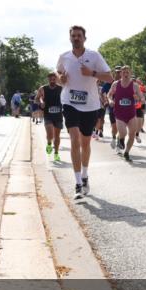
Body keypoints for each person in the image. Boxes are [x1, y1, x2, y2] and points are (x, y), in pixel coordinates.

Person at [57, 25, 113, 200]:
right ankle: (77, 183)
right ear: (70, 38)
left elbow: (110, 77)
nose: (76, 38)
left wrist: (92, 73)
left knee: (85, 143)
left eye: (79, 36)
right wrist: (60, 78)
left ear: (84, 38)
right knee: (74, 140)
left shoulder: (94, 56)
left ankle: (85, 175)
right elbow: (58, 75)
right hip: (69, 102)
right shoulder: (64, 57)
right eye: (73, 35)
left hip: (90, 105)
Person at [107, 65, 143, 161]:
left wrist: (139, 99)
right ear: (120, 74)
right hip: (119, 113)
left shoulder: (135, 85)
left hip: (131, 113)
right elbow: (109, 94)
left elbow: (142, 97)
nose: (126, 74)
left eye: (127, 72)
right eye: (124, 72)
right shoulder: (116, 84)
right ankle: (121, 140)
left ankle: (126, 152)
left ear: (130, 73)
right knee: (123, 132)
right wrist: (110, 100)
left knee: (132, 134)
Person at [38, 72, 64, 161]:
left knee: (57, 136)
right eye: (50, 79)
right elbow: (37, 98)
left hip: (58, 115)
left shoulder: (61, 88)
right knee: (50, 134)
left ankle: (56, 153)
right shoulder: (43, 88)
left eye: (54, 79)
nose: (52, 81)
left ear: (56, 79)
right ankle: (49, 143)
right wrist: (41, 102)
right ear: (48, 79)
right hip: (48, 115)